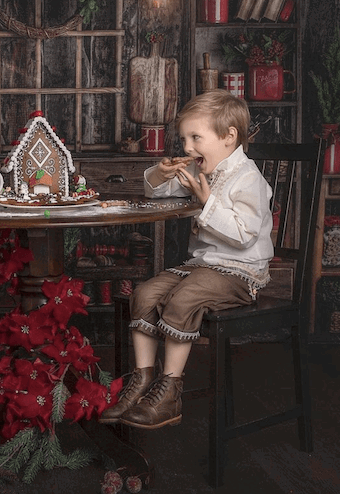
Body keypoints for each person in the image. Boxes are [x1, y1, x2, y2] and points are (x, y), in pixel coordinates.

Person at [100, 89, 273, 429]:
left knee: (182, 299)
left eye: (196, 138)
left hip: (241, 273)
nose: (188, 148)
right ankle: (142, 381)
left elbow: (244, 235)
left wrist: (207, 201)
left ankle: (169, 391)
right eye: (184, 139)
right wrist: (161, 174)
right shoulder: (203, 168)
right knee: (145, 294)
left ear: (228, 137)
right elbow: (156, 190)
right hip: (202, 267)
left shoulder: (248, 178)